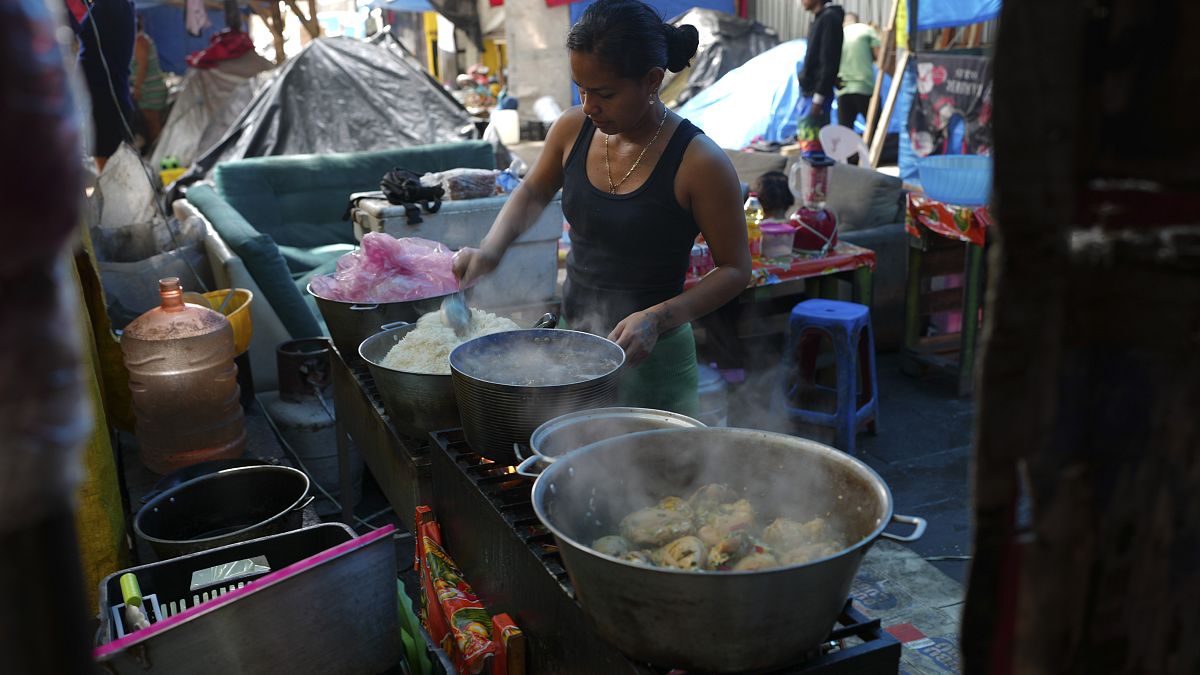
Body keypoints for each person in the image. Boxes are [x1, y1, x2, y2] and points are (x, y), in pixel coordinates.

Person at [454, 0, 752, 416]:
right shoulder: (573, 129)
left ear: (651, 81)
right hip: (571, 345)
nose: (589, 105)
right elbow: (533, 192)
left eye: (605, 93)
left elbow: (736, 269)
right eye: (581, 88)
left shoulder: (699, 162)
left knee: (656, 478)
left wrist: (656, 318)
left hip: (653, 361)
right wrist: (490, 250)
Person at [66, 0, 137, 170]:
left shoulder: (114, 7)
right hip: (100, 99)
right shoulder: (100, 9)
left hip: (108, 101)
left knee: (110, 172)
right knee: (105, 167)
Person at [795, 0, 844, 154]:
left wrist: (819, 98)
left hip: (815, 97)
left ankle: (815, 178)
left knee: (813, 150)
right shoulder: (821, 18)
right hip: (810, 93)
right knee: (807, 145)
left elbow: (829, 60)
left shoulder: (829, 18)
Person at [837, 12, 881, 131]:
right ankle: (872, 149)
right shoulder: (866, 30)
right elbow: (879, 57)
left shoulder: (838, 34)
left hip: (843, 89)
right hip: (864, 86)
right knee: (875, 128)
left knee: (845, 132)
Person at [132, 16, 169, 146]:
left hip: (149, 90)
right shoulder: (140, 39)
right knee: (152, 124)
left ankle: (158, 153)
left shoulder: (139, 40)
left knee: (154, 125)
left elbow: (143, 66)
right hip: (148, 88)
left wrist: (137, 88)